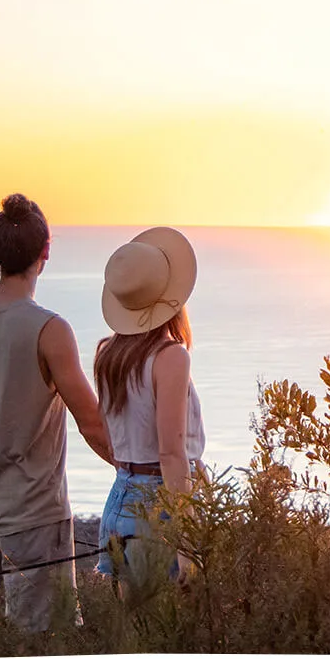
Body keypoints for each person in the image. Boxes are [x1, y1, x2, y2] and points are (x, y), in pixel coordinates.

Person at [0, 193, 114, 632]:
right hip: (35, 517)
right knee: (48, 645)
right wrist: (144, 475)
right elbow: (92, 423)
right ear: (45, 252)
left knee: (9, 640)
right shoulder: (50, 329)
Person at [93, 226, 205, 588]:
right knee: (171, 632)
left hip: (118, 498)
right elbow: (171, 452)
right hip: (157, 504)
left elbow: (110, 438)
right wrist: (187, 542)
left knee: (132, 632)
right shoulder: (171, 357)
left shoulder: (106, 354)